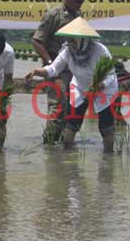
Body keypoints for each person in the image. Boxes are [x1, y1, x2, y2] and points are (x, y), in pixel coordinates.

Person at [25, 17, 118, 153]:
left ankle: (108, 158)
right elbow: (52, 69)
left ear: (83, 39)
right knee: (72, 124)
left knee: (106, 126)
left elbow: (110, 74)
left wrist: (100, 86)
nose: (70, 42)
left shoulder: (100, 50)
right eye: (68, 38)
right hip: (80, 88)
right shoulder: (68, 51)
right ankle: (67, 157)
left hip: (103, 89)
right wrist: (36, 71)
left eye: (73, 39)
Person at [32, 0, 87, 145]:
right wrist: (51, 65)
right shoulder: (53, 15)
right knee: (58, 105)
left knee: (74, 105)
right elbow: (37, 41)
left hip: (74, 67)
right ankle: (49, 145)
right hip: (55, 67)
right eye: (77, 1)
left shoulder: (78, 16)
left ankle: (65, 141)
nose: (79, 5)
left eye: (82, 2)